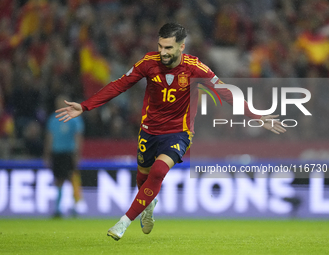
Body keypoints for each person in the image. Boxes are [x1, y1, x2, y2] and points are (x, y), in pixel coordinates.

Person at [55, 23, 286, 239]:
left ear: (181, 46)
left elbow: (226, 93)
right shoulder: (148, 63)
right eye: (160, 46)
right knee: (143, 178)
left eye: (168, 47)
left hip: (179, 132)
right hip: (149, 130)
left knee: (157, 172)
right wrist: (85, 106)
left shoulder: (196, 69)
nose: (163, 52)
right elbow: (119, 85)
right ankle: (149, 205)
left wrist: (256, 117)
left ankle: (124, 222)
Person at [45, 95, 85, 218]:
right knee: (59, 180)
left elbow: (78, 137)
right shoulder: (53, 119)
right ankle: (57, 209)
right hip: (57, 153)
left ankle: (76, 207)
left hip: (69, 153)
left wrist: (77, 153)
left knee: (73, 178)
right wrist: (47, 154)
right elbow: (49, 138)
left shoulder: (74, 118)